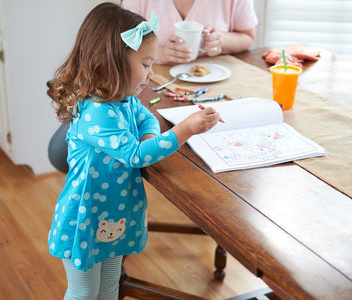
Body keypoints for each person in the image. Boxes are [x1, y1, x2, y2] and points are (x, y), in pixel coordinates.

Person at [46, 3, 221, 299]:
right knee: (85, 292)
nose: (151, 75)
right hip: (85, 219)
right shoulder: (98, 113)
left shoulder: (123, 98)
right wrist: (185, 129)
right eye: (145, 64)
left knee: (110, 285)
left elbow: (145, 117)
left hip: (113, 215)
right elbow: (137, 155)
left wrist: (152, 134)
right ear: (110, 63)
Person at [122, 0, 258, 65]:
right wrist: (160, 54)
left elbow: (248, 36)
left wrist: (221, 40)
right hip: (151, 81)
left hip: (216, 80)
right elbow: (122, 46)